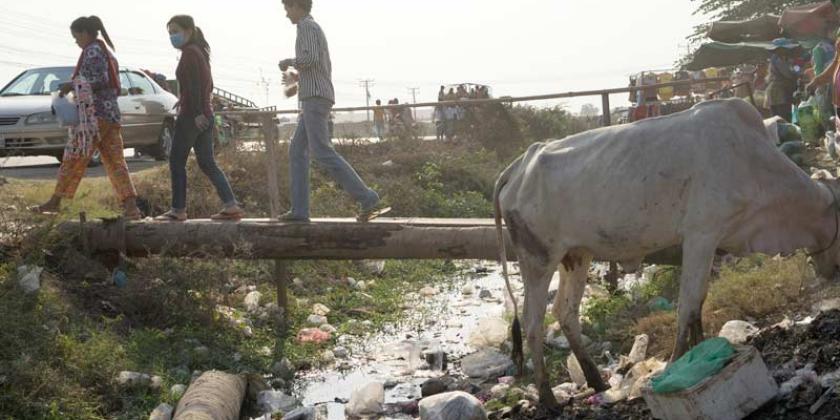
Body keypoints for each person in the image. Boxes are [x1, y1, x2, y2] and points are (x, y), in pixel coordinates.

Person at [278, 0, 384, 222]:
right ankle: (299, 211)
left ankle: (367, 198)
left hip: (315, 98)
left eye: (288, 8)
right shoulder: (310, 27)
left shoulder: (307, 26)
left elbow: (311, 59)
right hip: (314, 96)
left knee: (322, 152)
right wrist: (296, 77)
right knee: (297, 151)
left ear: (298, 6)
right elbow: (315, 65)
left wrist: (290, 61)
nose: (286, 14)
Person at [31, 16, 142, 219]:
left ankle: (55, 202)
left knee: (73, 158)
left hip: (93, 117)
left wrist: (71, 85)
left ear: (85, 33)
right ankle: (131, 207)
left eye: (76, 37)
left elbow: (99, 80)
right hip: (110, 115)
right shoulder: (106, 52)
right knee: (116, 163)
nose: (76, 41)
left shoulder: (92, 51)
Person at [155, 15, 244, 221]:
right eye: (170, 33)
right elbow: (206, 87)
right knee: (207, 163)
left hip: (191, 118)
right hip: (205, 114)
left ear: (188, 31)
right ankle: (230, 205)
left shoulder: (189, 54)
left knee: (177, 162)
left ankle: (178, 210)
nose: (172, 36)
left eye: (175, 31)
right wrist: (190, 103)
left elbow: (194, 86)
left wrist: (194, 113)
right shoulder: (200, 53)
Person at [808, 29, 840, 131]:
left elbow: (820, 69)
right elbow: (832, 68)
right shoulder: (836, 54)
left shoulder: (819, 49)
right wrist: (816, 82)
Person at [766, 42, 801, 122]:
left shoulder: (783, 59)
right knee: (782, 116)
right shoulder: (778, 59)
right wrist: (797, 71)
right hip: (778, 91)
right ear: (779, 50)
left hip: (778, 90)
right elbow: (789, 74)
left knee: (783, 116)